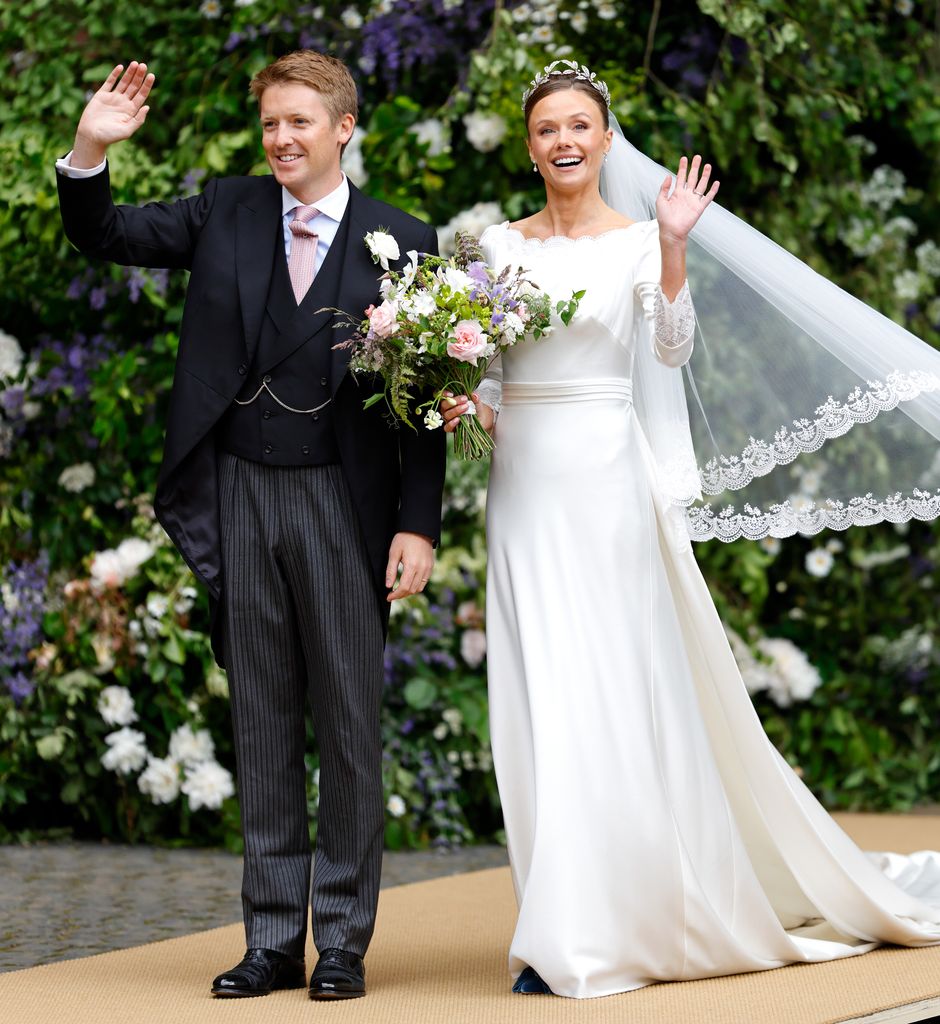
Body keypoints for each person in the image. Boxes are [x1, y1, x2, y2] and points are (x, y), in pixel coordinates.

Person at [443, 60, 940, 999]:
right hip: (523, 492)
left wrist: (673, 248)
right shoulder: (493, 246)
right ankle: (557, 917)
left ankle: (606, 926)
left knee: (611, 696)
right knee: (539, 698)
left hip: (606, 486)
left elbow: (669, 348)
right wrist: (470, 398)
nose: (563, 142)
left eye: (579, 126)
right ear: (530, 143)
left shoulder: (640, 238)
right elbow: (493, 370)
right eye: (547, 128)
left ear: (602, 137)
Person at [57, 52, 445, 1000]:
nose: (281, 139)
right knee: (263, 719)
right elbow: (104, 233)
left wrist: (419, 525)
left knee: (351, 726)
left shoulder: (401, 237)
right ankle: (272, 940)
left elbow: (435, 396)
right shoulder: (224, 211)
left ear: (343, 127)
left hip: (344, 504)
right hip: (240, 491)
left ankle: (344, 941)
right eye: (271, 123)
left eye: (299, 123)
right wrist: (88, 150)